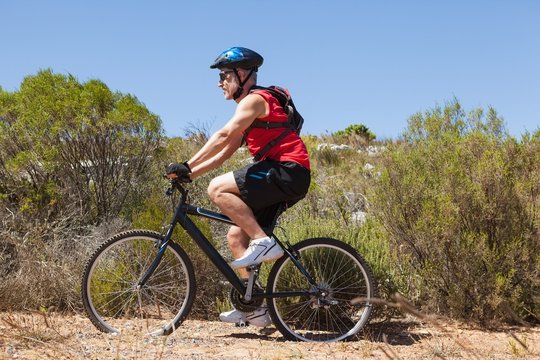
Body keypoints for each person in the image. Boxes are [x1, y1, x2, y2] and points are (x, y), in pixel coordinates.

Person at [166, 47, 310, 327]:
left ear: (242, 75)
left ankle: (263, 241)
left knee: (217, 189)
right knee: (235, 237)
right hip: (283, 175)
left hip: (287, 170)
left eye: (224, 75)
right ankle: (252, 306)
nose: (219, 82)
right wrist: (189, 174)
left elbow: (222, 134)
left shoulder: (255, 100)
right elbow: (223, 153)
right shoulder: (249, 109)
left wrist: (186, 162)